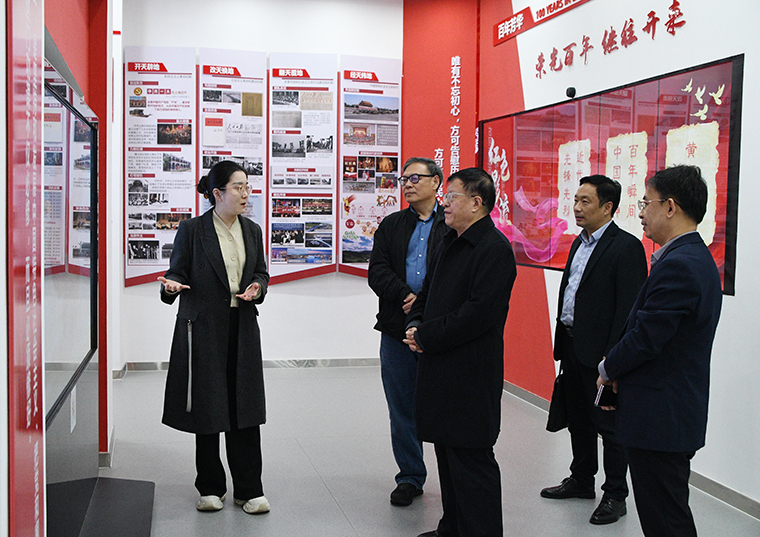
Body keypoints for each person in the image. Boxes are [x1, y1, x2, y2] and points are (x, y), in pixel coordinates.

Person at [597, 165, 722, 536]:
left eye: (645, 203)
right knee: (665, 513)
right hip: (668, 412)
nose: (640, 213)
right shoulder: (691, 257)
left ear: (670, 207)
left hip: (661, 418)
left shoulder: (680, 265)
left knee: (665, 519)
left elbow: (646, 338)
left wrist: (608, 367)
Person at [404, 167, 517, 537]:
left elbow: (478, 314)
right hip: (440, 366)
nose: (445, 205)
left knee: (472, 459)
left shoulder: (494, 250)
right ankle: (451, 527)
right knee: (447, 453)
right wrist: (414, 324)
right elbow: (426, 293)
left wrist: (426, 335)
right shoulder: (449, 240)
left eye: (451, 197)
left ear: (476, 202)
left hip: (471, 372)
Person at [158, 160, 271, 515]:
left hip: (242, 328)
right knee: (207, 409)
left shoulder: (252, 230)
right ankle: (210, 487)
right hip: (204, 328)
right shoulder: (192, 230)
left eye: (247, 186)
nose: (246, 193)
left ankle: (249, 489)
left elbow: (261, 273)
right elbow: (176, 273)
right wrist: (171, 287)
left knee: (244, 409)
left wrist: (257, 287)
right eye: (238, 187)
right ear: (218, 193)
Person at [540, 175, 647, 524]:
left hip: (602, 354)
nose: (577, 207)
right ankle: (582, 479)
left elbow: (628, 308)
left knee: (609, 426)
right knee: (578, 418)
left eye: (585, 201)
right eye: (575, 200)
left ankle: (615, 494)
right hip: (572, 344)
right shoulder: (578, 243)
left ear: (607, 207)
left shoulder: (626, 247)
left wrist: (612, 357)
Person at [368, 157, 448, 506]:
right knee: (401, 406)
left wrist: (427, 303)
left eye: (415, 178)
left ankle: (452, 475)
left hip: (439, 331)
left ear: (436, 182)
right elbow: (377, 271)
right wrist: (406, 296)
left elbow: (457, 273)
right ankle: (411, 477)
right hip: (396, 329)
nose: (408, 185)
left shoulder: (451, 224)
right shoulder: (392, 225)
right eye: (404, 179)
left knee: (442, 406)